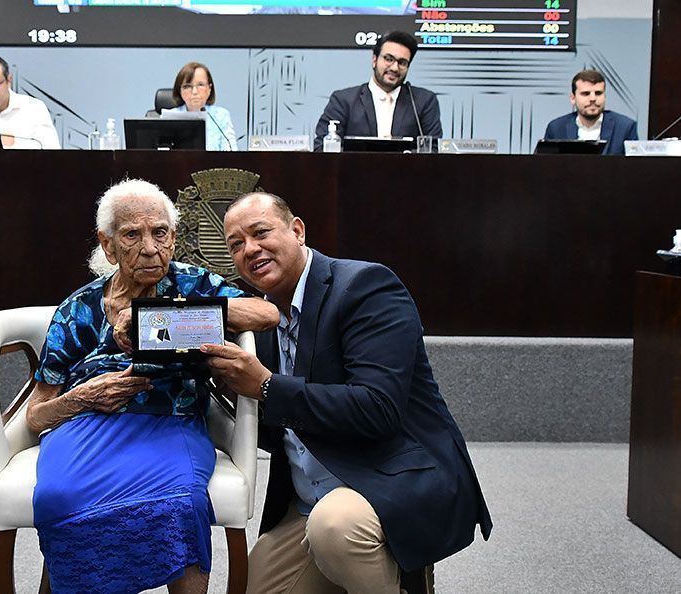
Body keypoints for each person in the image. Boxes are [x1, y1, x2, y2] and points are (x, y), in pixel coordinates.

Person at [203, 192, 492, 593]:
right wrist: (223, 392)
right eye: (236, 244)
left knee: (335, 528)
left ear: (297, 231)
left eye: (261, 232)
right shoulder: (261, 319)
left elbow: (377, 409)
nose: (250, 249)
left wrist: (266, 386)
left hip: (386, 478)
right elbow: (281, 430)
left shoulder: (366, 287)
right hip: (309, 500)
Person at [26, 180, 278, 593]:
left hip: (172, 423)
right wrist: (83, 396)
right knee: (58, 497)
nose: (149, 248)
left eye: (160, 233)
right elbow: (36, 415)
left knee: (183, 502)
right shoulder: (78, 310)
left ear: (174, 238)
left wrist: (156, 318)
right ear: (108, 247)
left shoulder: (191, 284)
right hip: (86, 426)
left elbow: (265, 312)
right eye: (132, 235)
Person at [314, 31, 442, 151]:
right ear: (374, 60)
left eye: (402, 62)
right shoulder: (343, 100)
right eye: (389, 59)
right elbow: (322, 148)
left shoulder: (423, 101)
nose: (395, 68)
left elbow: (433, 149)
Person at [543, 70, 639, 155]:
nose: (593, 99)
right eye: (585, 94)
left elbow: (634, 169)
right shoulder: (556, 128)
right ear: (573, 98)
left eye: (598, 93)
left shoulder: (625, 127)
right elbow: (546, 168)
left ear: (604, 97)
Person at [164, 62, 238, 151]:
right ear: (180, 91)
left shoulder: (221, 116)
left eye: (200, 85)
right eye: (188, 86)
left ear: (209, 89)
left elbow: (231, 151)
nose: (194, 91)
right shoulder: (170, 117)